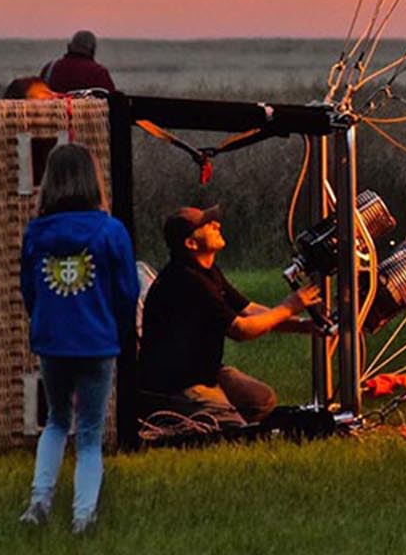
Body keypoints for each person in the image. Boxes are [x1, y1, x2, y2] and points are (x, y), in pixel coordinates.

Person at [18, 143, 139, 535]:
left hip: (53, 342)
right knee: (89, 433)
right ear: (93, 180)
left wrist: (43, 322)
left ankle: (39, 500)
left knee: (56, 420)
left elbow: (29, 289)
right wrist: (119, 331)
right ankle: (83, 516)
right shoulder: (111, 232)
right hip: (98, 342)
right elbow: (127, 292)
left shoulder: (36, 234)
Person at [137, 204, 319, 423]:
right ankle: (174, 417)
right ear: (191, 243)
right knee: (231, 428)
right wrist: (288, 307)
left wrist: (302, 325)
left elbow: (249, 310)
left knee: (261, 400)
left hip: (206, 371)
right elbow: (241, 329)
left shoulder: (207, 270)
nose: (217, 225)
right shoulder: (186, 280)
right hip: (175, 384)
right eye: (206, 225)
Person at [41, 31, 115, 94]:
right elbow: (113, 101)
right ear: (93, 50)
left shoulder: (49, 69)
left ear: (69, 46)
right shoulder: (99, 73)